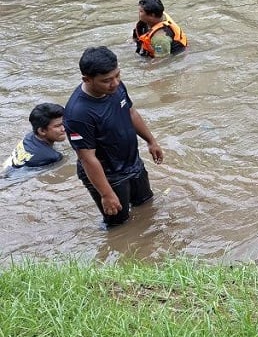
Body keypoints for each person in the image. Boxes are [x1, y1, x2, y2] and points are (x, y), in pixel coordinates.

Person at [64, 46, 164, 227]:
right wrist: (106, 194)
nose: (115, 83)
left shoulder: (115, 87)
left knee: (146, 206)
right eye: (107, 80)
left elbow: (131, 113)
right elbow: (87, 158)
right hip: (108, 175)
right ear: (87, 79)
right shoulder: (78, 113)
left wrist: (151, 141)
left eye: (118, 75)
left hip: (132, 163)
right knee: (118, 224)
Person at [6, 103, 66, 169]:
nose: (64, 129)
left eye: (63, 123)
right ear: (42, 131)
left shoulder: (29, 137)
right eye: (57, 126)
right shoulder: (52, 157)